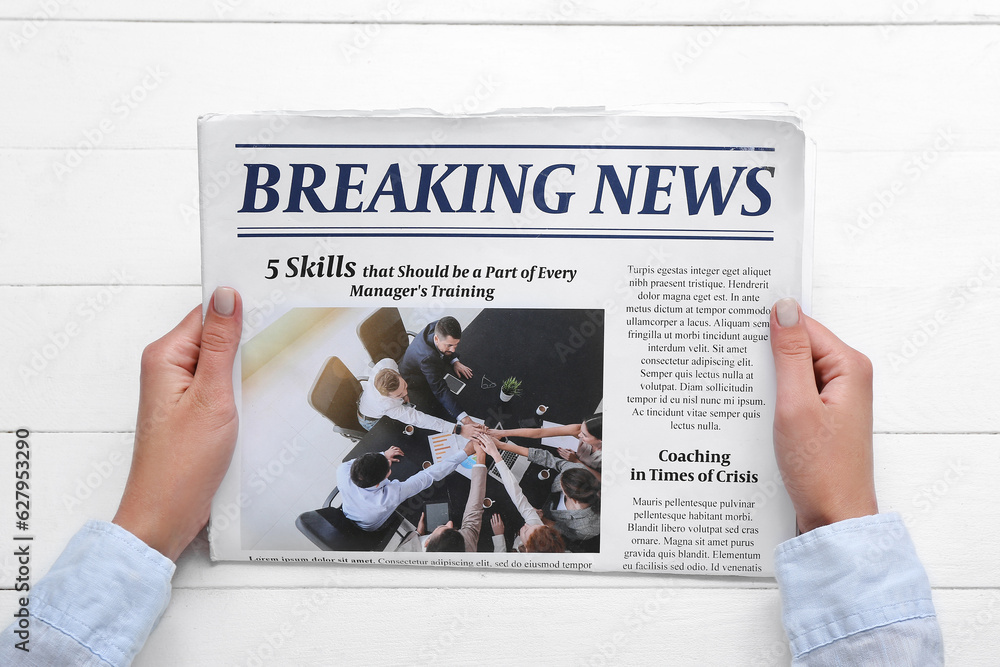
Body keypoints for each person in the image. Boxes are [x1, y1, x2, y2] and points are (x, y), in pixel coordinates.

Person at [0, 294, 944, 665]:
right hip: (463, 460)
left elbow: (450, 460)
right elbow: (447, 478)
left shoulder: (395, 449)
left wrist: (473, 441)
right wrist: (470, 450)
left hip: (466, 454)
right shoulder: (405, 477)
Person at [337, 439, 476, 531]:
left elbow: (363, 460)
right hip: (371, 526)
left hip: (350, 510)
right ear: (379, 482)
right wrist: (465, 453)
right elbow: (427, 476)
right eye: (388, 469)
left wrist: (383, 454)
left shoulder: (342, 470)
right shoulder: (389, 497)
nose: (389, 463)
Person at [486, 434, 601, 542]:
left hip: (544, 515)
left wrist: (545, 521)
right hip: (542, 490)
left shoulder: (589, 527)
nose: (560, 478)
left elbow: (566, 534)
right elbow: (548, 459)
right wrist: (502, 446)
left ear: (572, 498)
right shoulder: (579, 471)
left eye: (562, 484)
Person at [477, 434, 567, 554]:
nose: (526, 524)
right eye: (534, 525)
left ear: (528, 550)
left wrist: (499, 538)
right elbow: (517, 495)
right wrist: (495, 454)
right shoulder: (537, 528)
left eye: (526, 531)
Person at [357, 356, 483, 438]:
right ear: (389, 397)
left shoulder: (387, 363)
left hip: (369, 398)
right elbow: (418, 419)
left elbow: (400, 389)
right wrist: (458, 429)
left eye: (405, 386)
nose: (405, 393)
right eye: (399, 395)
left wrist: (403, 395)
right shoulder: (386, 405)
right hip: (370, 419)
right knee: (397, 438)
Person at [396, 441, 488, 552]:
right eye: (452, 529)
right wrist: (481, 455)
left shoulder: (401, 555)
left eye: (445, 528)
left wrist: (418, 533)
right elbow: (474, 509)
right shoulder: (466, 544)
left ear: (427, 542)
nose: (450, 523)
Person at [398, 316, 473, 423]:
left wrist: (455, 361)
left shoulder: (440, 326)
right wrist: (464, 418)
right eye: (449, 346)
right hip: (415, 379)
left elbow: (448, 348)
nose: (453, 350)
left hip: (429, 363)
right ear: (437, 339)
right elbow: (440, 390)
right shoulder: (427, 359)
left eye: (456, 345)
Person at [489, 413, 603, 471]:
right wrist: (502, 433)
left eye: (584, 435)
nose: (579, 435)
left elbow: (598, 480)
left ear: (601, 440)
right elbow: (540, 433)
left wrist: (576, 461)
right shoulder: (581, 429)